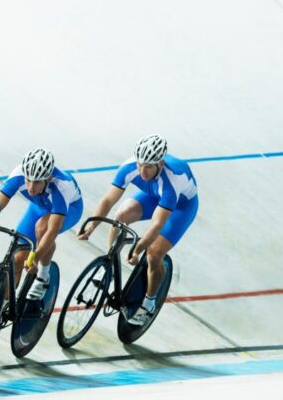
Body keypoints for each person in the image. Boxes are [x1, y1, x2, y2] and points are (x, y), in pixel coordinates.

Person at [77, 134, 198, 325]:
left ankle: (149, 303)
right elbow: (108, 200)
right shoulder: (130, 167)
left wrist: (138, 249)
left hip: (181, 207)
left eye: (148, 166)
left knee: (154, 253)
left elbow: (157, 224)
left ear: (160, 164)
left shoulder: (172, 180)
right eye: (140, 164)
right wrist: (92, 225)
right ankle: (110, 265)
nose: (142, 171)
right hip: (152, 194)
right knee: (120, 217)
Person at [0, 148, 84, 301]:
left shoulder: (62, 186)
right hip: (39, 206)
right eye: (28, 180)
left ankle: (43, 277)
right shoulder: (18, 174)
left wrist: (35, 258)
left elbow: (52, 230)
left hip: (70, 208)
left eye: (37, 182)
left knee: (43, 228)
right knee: (17, 260)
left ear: (48, 178)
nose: (31, 186)